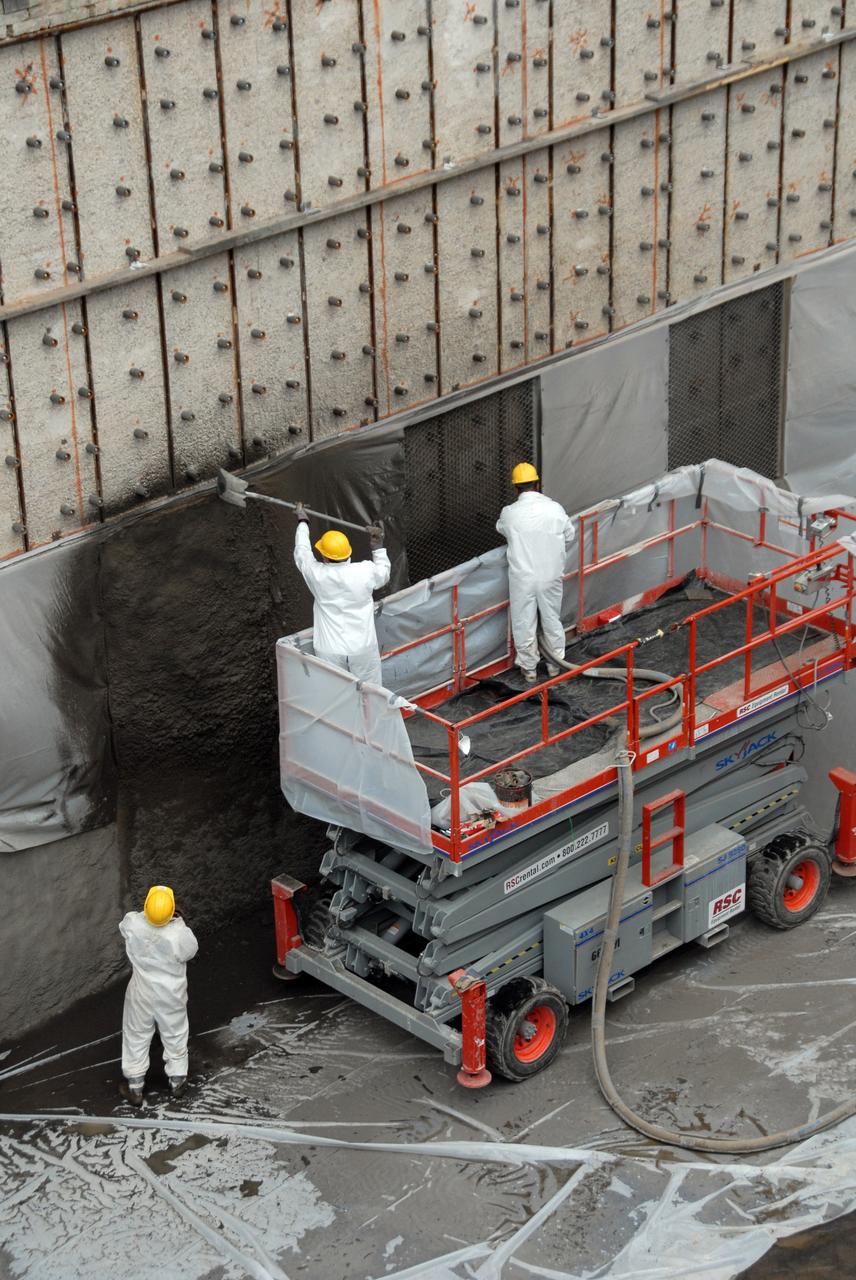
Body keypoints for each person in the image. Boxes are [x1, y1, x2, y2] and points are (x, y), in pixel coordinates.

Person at [119, 884, 198, 1107]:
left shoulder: (133, 923)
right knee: (175, 1034)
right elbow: (190, 951)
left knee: (136, 1035)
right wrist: (178, 922)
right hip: (170, 995)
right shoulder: (180, 934)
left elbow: (127, 926)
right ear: (173, 909)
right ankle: (177, 1081)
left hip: (141, 993)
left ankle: (135, 1087)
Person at [496, 462, 575, 683]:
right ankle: (555, 664)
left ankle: (529, 669)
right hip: (550, 575)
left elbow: (501, 528)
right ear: (537, 484)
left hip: (523, 578)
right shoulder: (555, 508)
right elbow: (570, 535)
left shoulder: (509, 513)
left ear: (516, 488)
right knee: (551, 618)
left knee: (524, 621)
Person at [293, 508, 390, 687]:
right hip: (362, 648)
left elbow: (302, 553)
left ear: (325, 556)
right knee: (371, 695)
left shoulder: (317, 574)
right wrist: (378, 548)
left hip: (330, 651)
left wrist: (303, 523)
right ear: (348, 552)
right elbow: (383, 573)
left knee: (336, 697)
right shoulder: (364, 571)